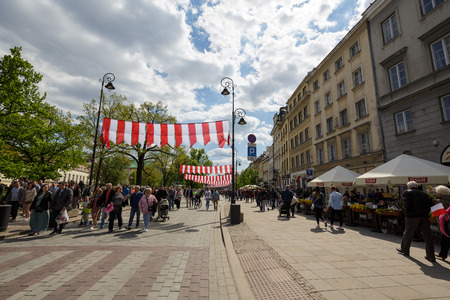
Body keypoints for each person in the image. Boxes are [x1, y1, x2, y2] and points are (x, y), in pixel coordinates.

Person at [397, 181, 435, 262]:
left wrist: (404, 211)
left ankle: (405, 250)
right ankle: (431, 256)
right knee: (427, 235)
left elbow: (406, 204)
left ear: (409, 187)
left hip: (412, 216)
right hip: (424, 216)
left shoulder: (407, 192)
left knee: (408, 233)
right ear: (417, 186)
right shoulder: (424, 194)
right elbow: (430, 204)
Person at [435, 185, 450, 261]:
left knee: (444, 239)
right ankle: (442, 254)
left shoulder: (438, 201)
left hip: (444, 223)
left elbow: (437, 214)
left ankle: (443, 254)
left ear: (439, 193)